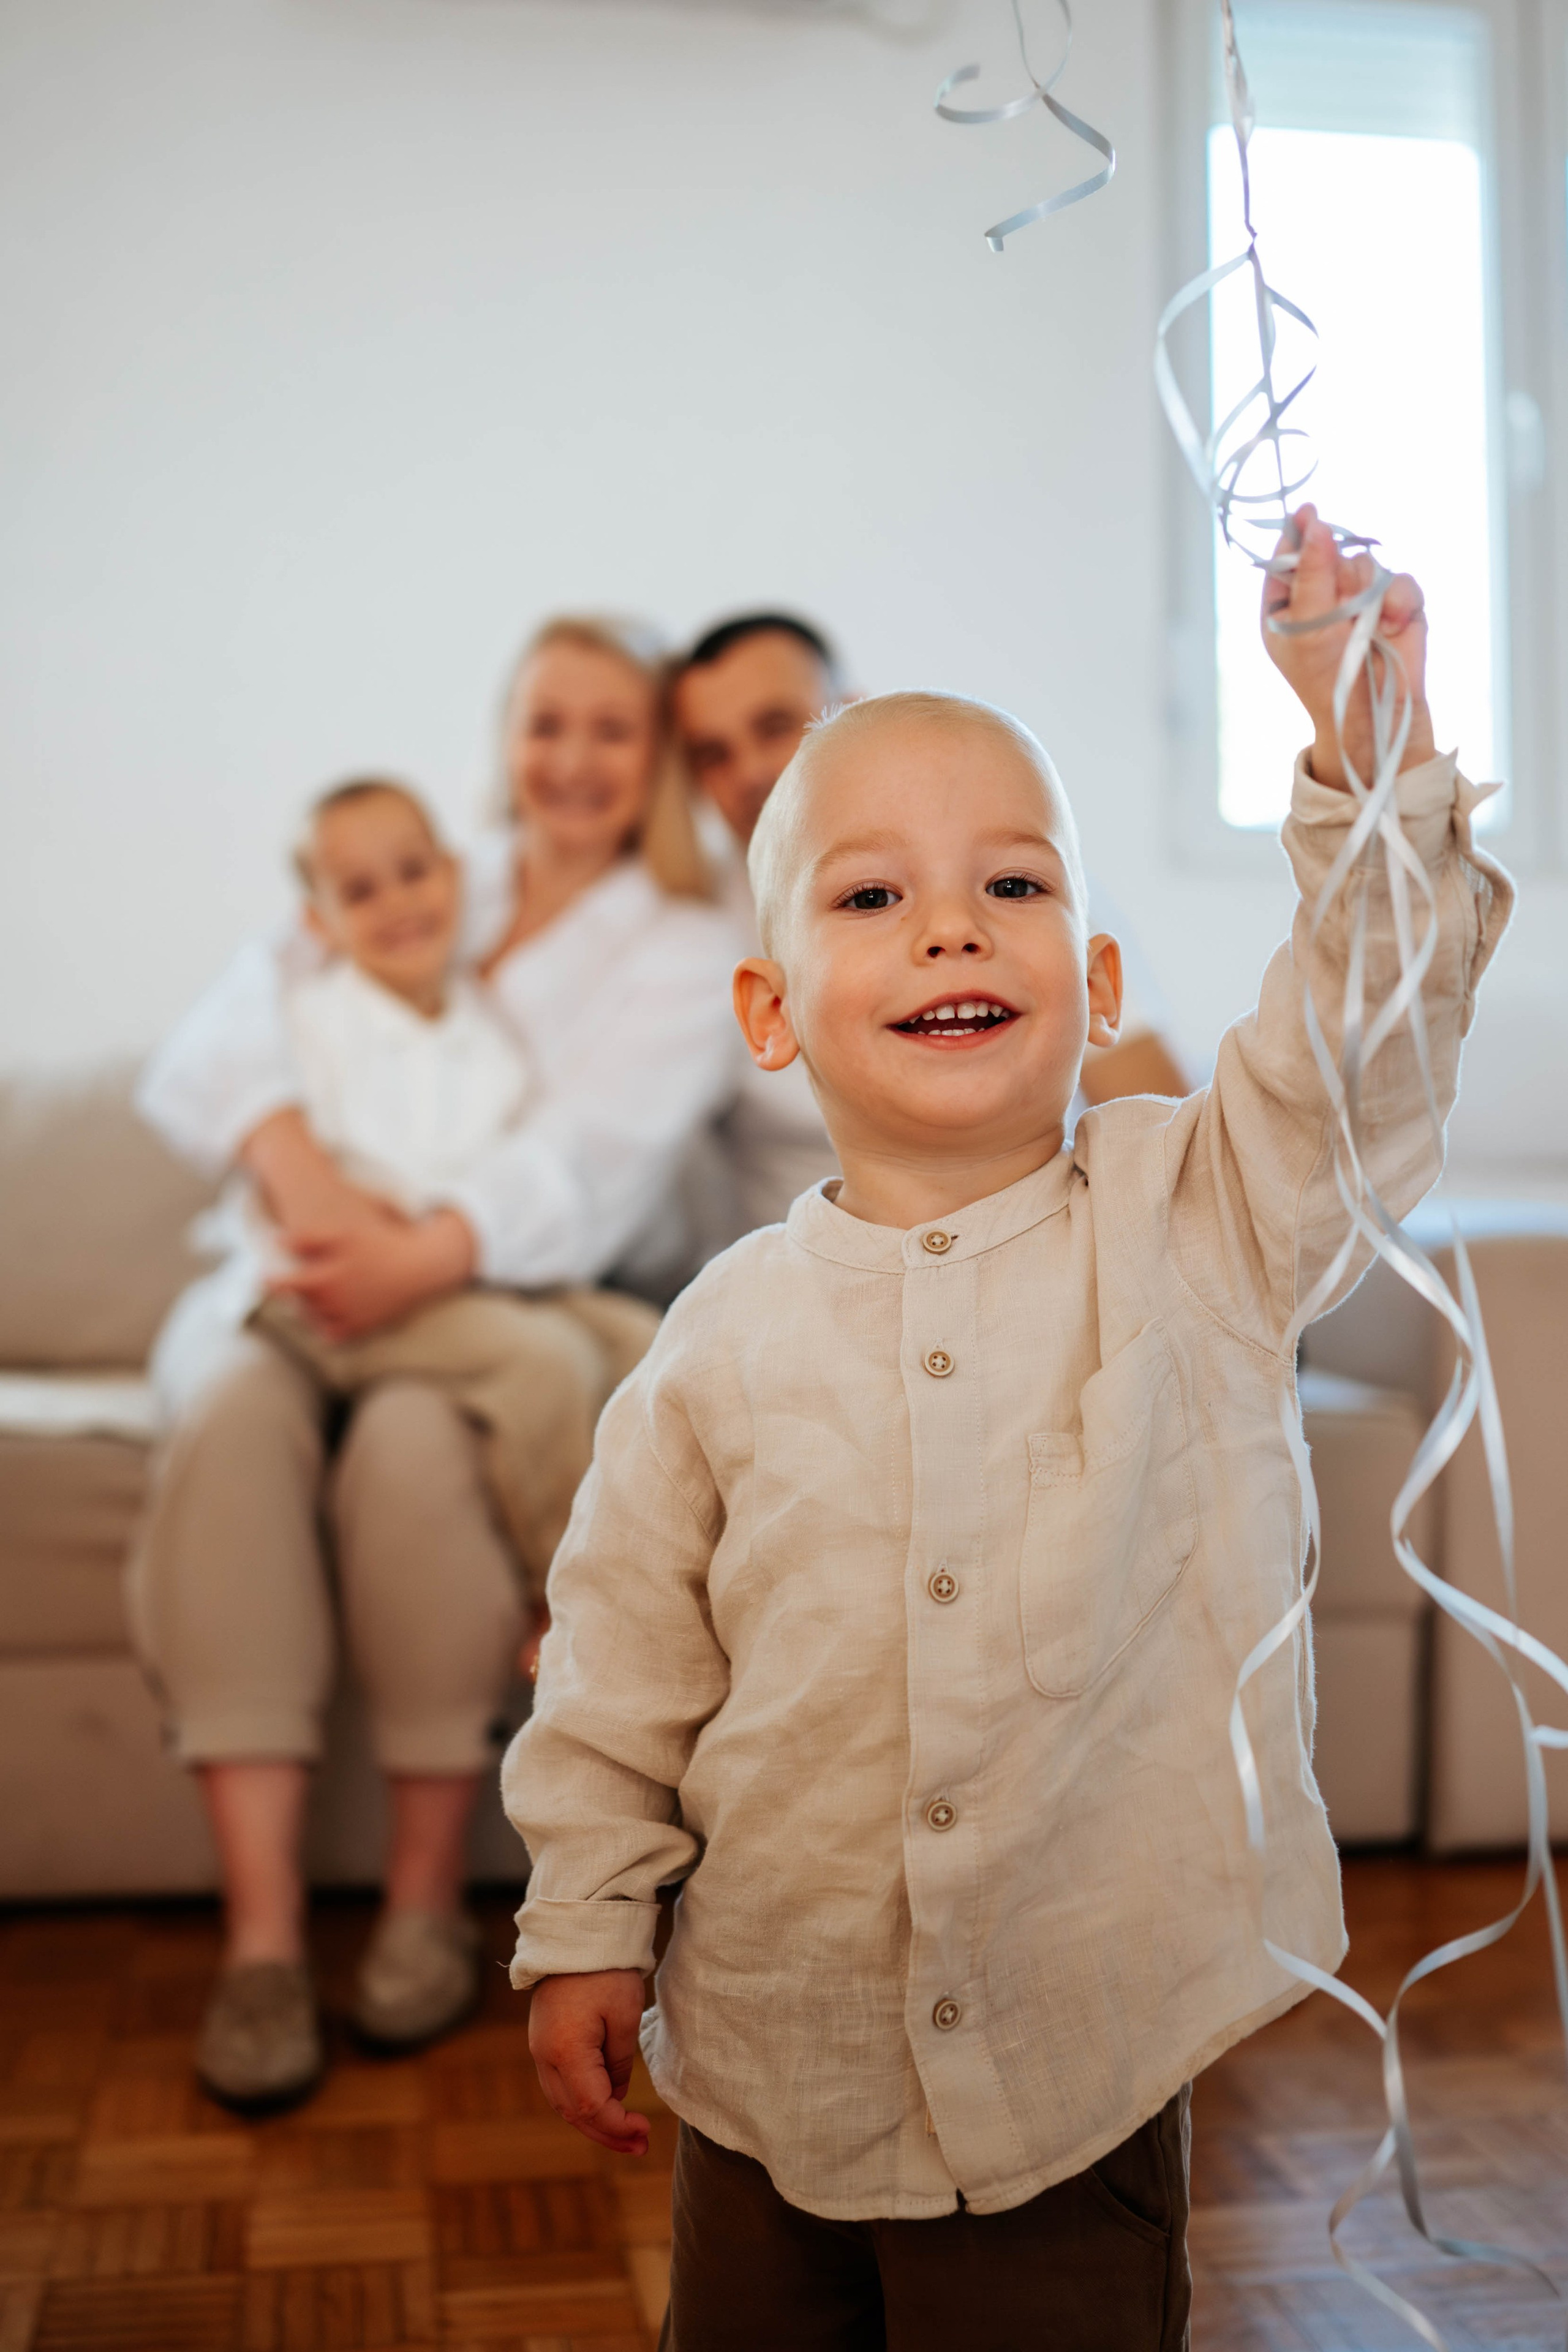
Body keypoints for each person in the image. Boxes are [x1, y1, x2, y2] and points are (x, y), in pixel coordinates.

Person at [507, 514, 1511, 2350]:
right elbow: (621, 1661)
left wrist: (1368, 748)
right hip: (763, 2078)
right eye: (870, 896)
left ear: (1098, 980)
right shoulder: (719, 1331)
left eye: (1014, 886)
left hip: (1074, 2076)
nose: (952, 923)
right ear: (769, 1009)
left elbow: (1356, 1047)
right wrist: (587, 1914)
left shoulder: (1198, 1218)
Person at [132, 616, 742, 2112]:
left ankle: (419, 1904)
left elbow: (589, 1160)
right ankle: (263, 1939)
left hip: (476, 1285)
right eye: (545, 721)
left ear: (655, 753)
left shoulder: (685, 937)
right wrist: (303, 1179)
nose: (572, 759)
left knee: (417, 1442)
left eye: (612, 728)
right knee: (223, 1428)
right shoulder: (425, 869)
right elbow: (236, 1019)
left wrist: (415, 1253)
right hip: (304, 1265)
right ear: (505, 731)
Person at [156, 772, 657, 1616]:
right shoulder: (306, 1023)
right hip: (323, 1292)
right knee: (544, 1363)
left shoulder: (485, 1031)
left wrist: (449, 1231)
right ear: (318, 923)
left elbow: (500, 1178)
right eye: (359, 890)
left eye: (413, 871)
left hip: (446, 1274)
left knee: (644, 1339)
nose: (397, 903)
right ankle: (573, 1610)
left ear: (455, 876)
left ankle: (686, 1575)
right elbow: (295, 1179)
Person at [671, 610, 1193, 1232]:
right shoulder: (691, 927)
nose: (751, 771)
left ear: (850, 712)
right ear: (768, 1008)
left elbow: (1168, 1139)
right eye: (712, 754)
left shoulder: (1013, 882)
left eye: (777, 726)